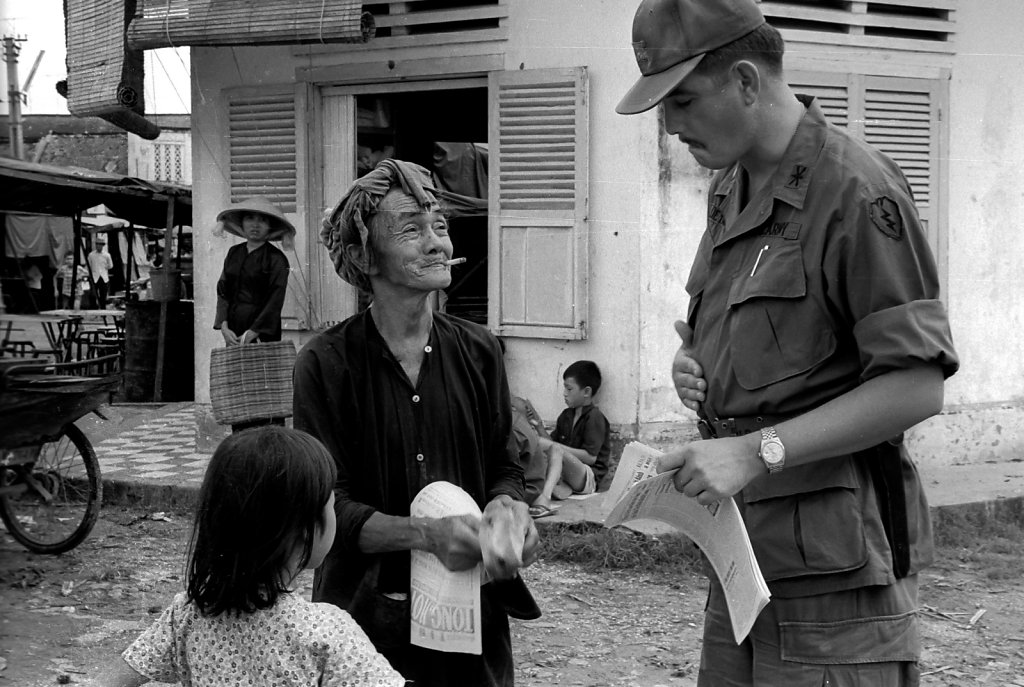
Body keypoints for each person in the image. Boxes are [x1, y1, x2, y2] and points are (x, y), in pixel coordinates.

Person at [616, 0, 960, 684]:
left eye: (682, 101)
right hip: (744, 561)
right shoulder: (728, 189)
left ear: (746, 82)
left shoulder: (857, 192)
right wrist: (694, 366)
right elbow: (728, 329)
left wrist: (756, 448)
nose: (670, 125)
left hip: (838, 582)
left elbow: (918, 381)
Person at [293, 159, 540, 687]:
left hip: (469, 615)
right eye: (411, 229)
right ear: (362, 255)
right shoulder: (325, 363)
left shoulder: (480, 350)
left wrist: (506, 506)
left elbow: (503, 461)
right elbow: (324, 503)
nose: (437, 244)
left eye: (441, 227)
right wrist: (425, 535)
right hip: (361, 625)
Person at [96, 426, 405, 687]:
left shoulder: (188, 615)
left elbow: (113, 679)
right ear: (307, 529)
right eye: (331, 503)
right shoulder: (326, 633)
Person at [213, 197, 294, 432]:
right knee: (239, 390)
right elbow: (223, 290)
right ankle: (240, 440)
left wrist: (254, 331)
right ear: (242, 223)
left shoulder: (277, 259)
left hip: (262, 330)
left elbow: (275, 300)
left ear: (271, 227)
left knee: (263, 388)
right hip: (234, 330)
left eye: (262, 220)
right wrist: (224, 325)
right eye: (250, 218)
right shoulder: (233, 253)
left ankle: (270, 441)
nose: (255, 224)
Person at [528, 361, 611, 519]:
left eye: (569, 388)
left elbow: (591, 457)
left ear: (586, 392)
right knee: (546, 450)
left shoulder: (595, 417)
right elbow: (553, 449)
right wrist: (538, 426)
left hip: (589, 478)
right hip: (569, 474)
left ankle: (544, 499)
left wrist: (553, 445)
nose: (564, 393)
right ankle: (559, 488)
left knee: (555, 449)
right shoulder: (566, 415)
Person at [87, 236, 114, 309]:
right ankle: (93, 308)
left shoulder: (107, 255)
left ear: (103, 245)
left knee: (103, 294)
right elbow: (88, 265)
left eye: (100, 244)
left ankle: (103, 308)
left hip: (103, 276)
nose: (99, 246)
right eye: (97, 244)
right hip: (94, 276)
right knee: (93, 294)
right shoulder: (91, 255)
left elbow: (111, 265)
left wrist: (105, 267)